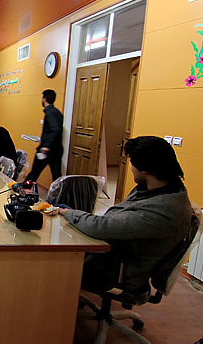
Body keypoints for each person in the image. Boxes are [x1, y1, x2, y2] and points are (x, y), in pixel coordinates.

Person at [57, 136, 193, 293]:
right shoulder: (161, 188)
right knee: (64, 213)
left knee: (52, 256)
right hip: (116, 251)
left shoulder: (163, 210)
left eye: (132, 163)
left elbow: (100, 227)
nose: (131, 168)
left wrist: (69, 213)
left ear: (144, 169)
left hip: (117, 271)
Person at [25, 89, 63, 182]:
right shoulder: (57, 112)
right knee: (56, 175)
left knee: (35, 172)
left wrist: (46, 146)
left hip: (47, 150)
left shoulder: (50, 113)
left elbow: (55, 129)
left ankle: (24, 188)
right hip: (56, 149)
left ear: (44, 99)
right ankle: (60, 191)